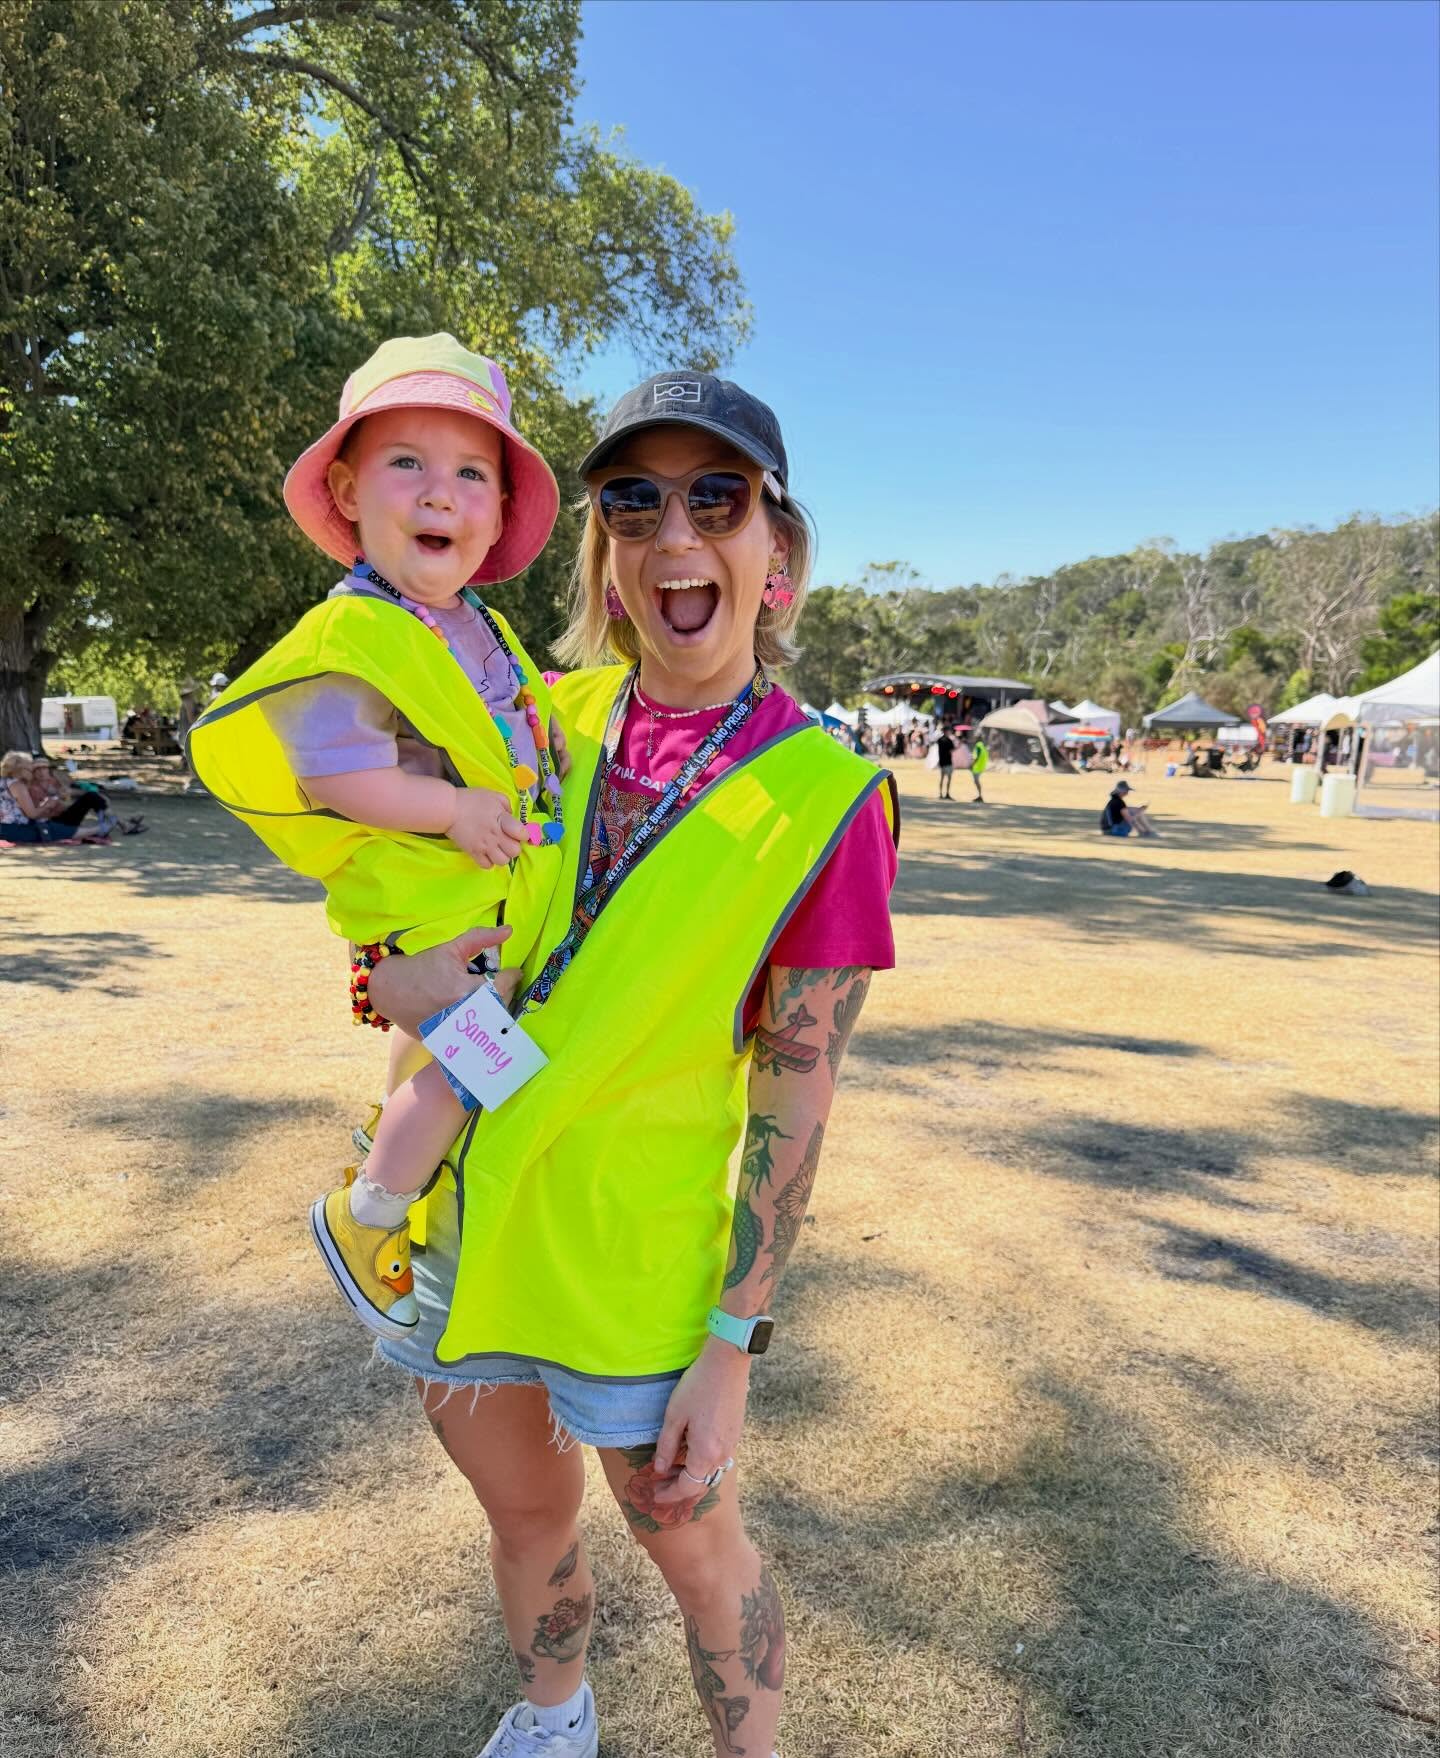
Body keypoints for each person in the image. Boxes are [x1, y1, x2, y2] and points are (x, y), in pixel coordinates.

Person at [339, 371, 898, 1758]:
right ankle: (554, 1714)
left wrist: (734, 1341)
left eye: (720, 497)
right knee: (524, 1512)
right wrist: (384, 978)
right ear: (603, 547)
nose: (675, 535)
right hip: (465, 1221)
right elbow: (424, 912)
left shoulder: (829, 795)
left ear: (778, 552)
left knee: (688, 1538)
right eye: (633, 501)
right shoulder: (527, 713)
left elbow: (797, 1086)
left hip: (640, 1262)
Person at [188, 333, 567, 1347]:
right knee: (478, 1068)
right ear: (350, 492)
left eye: (472, 472)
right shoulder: (355, 634)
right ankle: (367, 1215)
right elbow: (334, 775)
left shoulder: (473, 626)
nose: (441, 493)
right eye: (409, 462)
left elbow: (514, 727)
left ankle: (393, 1146)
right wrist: (454, 811)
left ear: (496, 513)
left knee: (441, 1063)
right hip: (429, 904)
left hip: (474, 907)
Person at [0, 751, 118, 843]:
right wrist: (48, 804)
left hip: (10, 826)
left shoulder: (5, 782)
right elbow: (33, 814)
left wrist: (59, 795)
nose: (32, 770)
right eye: (30, 768)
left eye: (44, 768)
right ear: (20, 769)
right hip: (16, 827)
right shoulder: (20, 786)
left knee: (90, 797)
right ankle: (100, 829)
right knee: (51, 829)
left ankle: (104, 827)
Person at [935, 724, 955, 799]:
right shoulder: (949, 740)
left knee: (942, 778)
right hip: (948, 762)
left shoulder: (939, 740)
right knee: (948, 778)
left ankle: (940, 794)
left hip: (942, 761)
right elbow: (952, 750)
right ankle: (947, 793)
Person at [969, 732, 989, 802]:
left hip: (977, 767)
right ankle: (979, 795)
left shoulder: (978, 746)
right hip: (981, 767)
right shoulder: (983, 745)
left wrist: (971, 765)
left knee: (976, 781)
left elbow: (976, 757)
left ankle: (980, 796)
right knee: (976, 781)